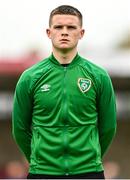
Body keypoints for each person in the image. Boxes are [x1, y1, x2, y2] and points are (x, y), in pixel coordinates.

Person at [12, 5, 116, 179]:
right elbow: (19, 129)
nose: (64, 32)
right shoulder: (29, 77)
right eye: (58, 27)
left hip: (89, 172)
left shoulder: (99, 76)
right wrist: (40, 160)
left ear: (81, 33)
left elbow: (108, 128)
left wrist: (89, 159)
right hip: (43, 173)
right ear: (49, 32)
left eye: (71, 27)